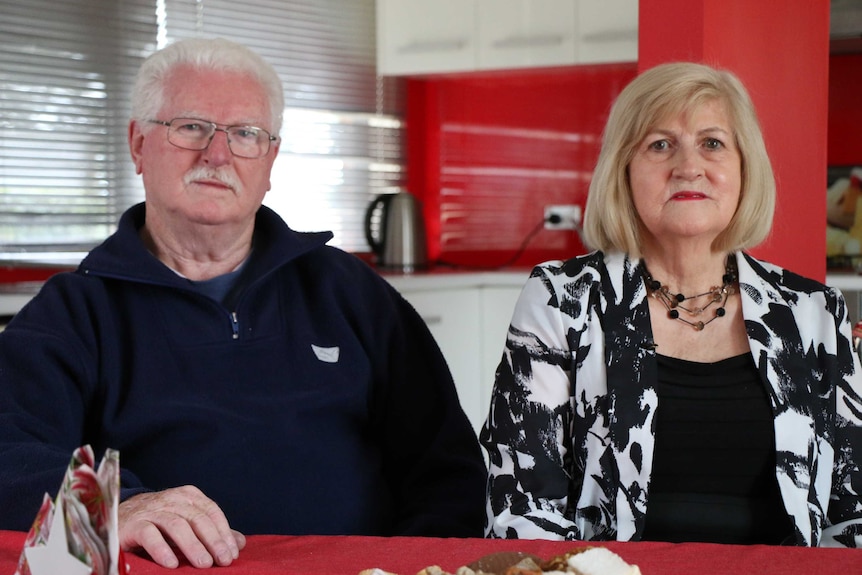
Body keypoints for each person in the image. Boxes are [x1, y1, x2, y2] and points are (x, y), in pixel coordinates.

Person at [0, 38, 486, 568]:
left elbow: (446, 469)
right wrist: (121, 507)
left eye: (245, 134)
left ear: (270, 159)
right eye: (190, 126)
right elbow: (8, 453)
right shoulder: (75, 312)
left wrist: (415, 565)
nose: (217, 153)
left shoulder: (349, 291)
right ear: (138, 144)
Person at [481, 62, 862, 547]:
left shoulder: (814, 314)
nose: (688, 166)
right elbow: (519, 504)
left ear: (744, 168)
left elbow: (854, 512)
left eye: (712, 143)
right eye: (660, 145)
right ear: (624, 169)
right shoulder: (562, 299)